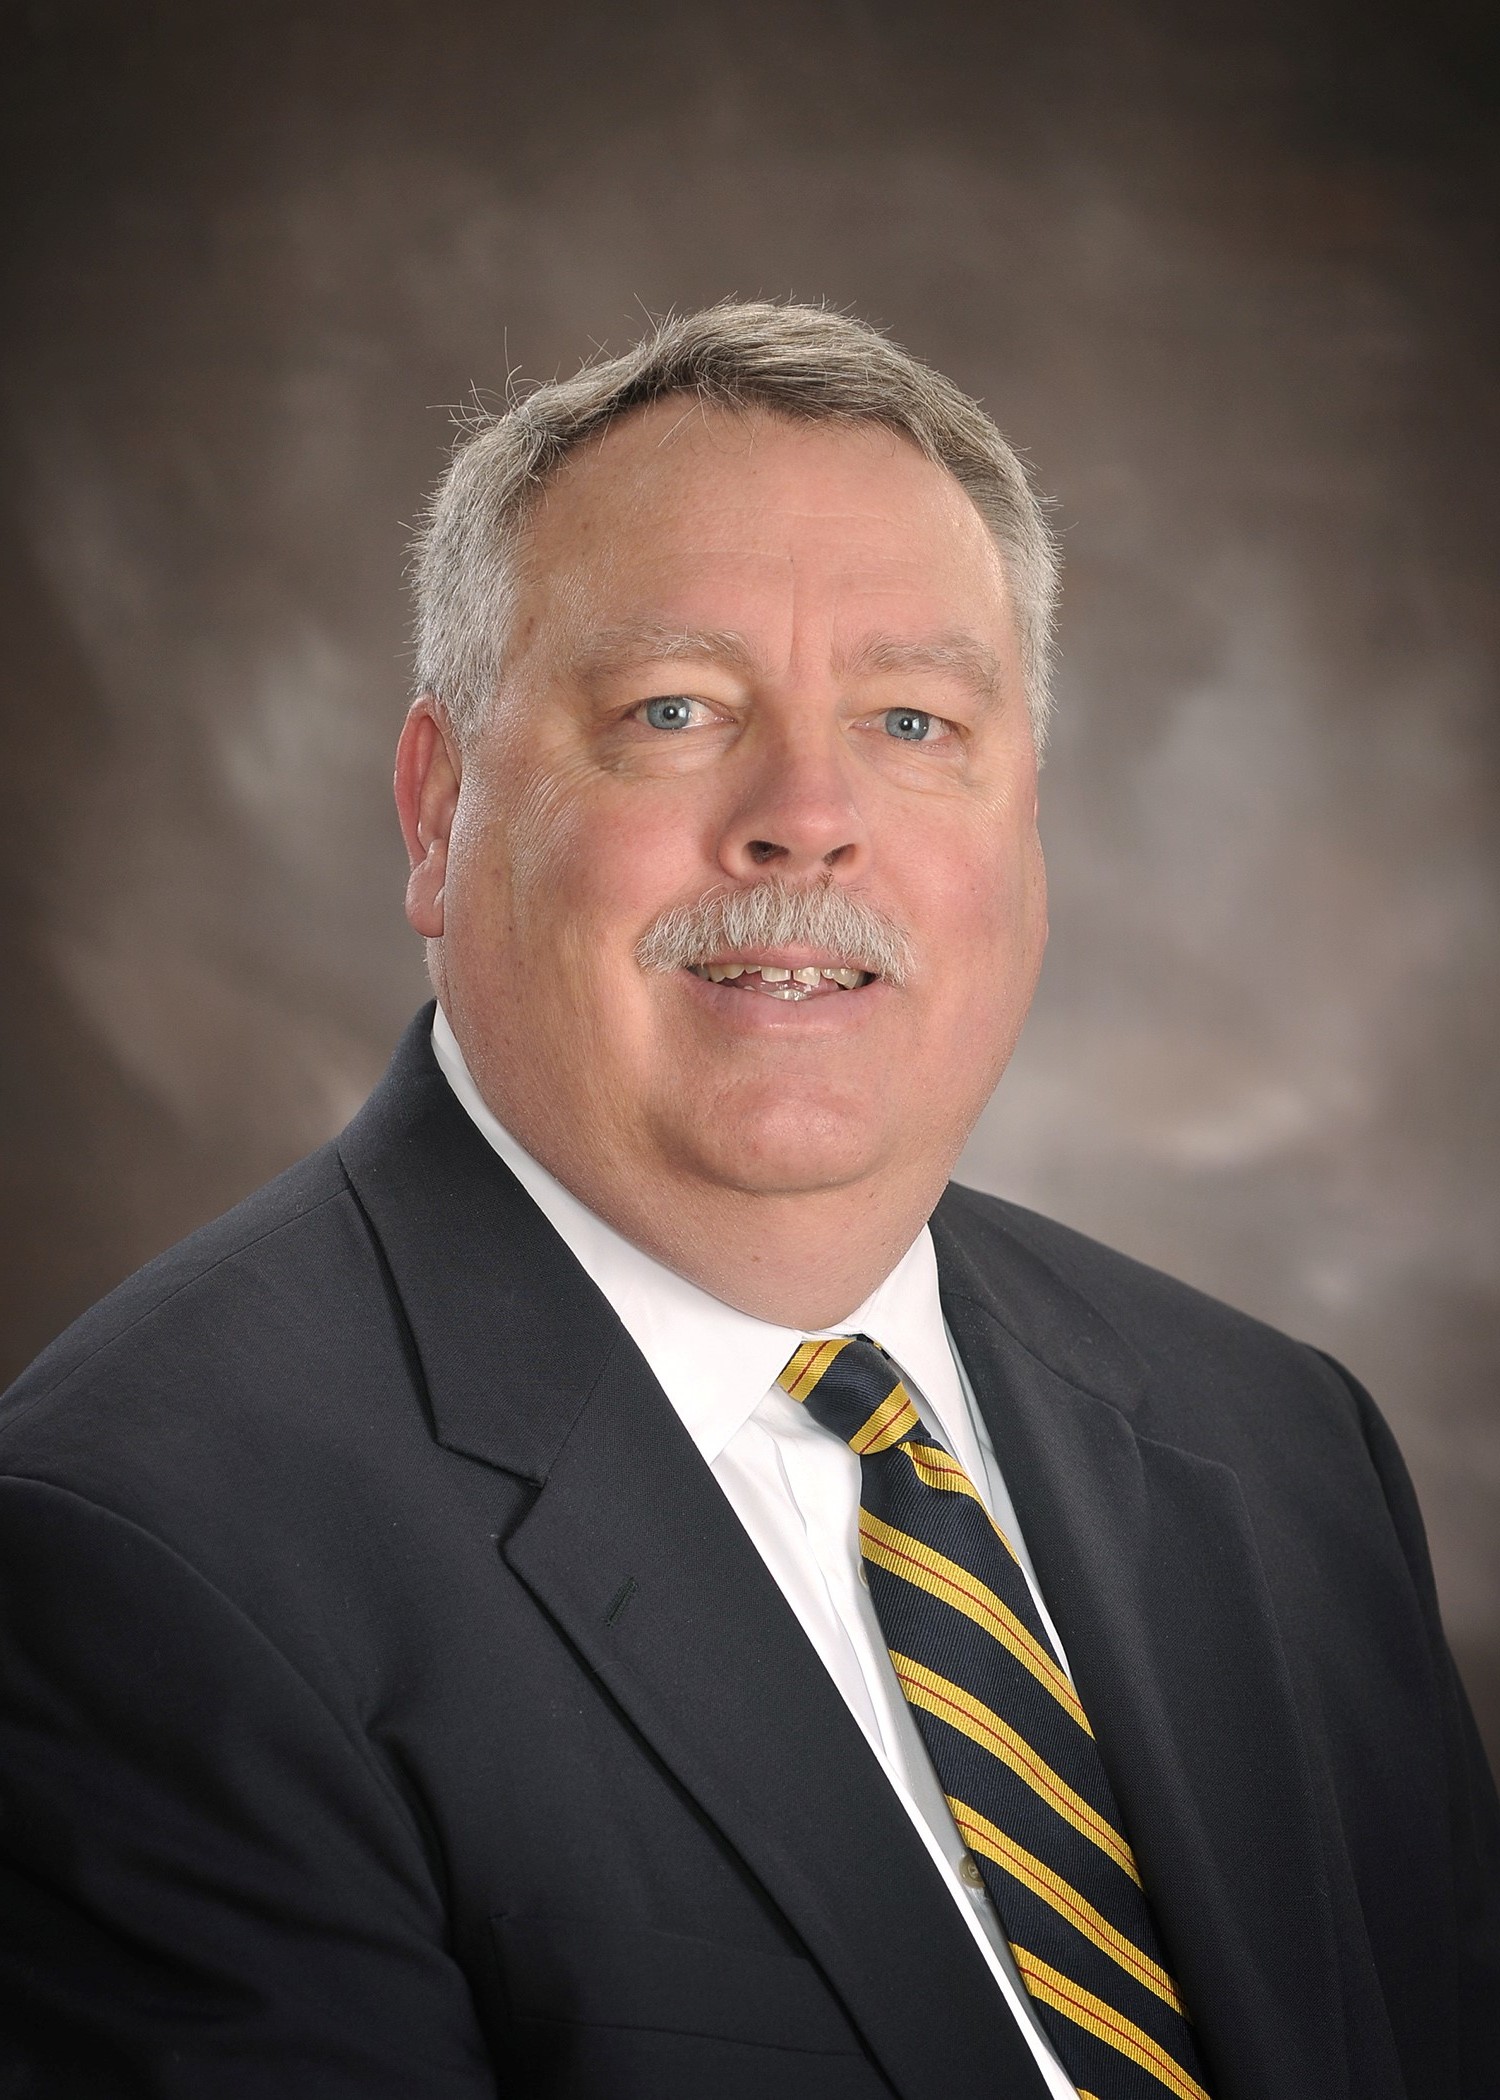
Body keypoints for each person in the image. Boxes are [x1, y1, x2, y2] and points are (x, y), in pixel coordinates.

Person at [0, 302, 1494, 2100]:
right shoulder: (143, 1559)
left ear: (1029, 826)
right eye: (676, 711)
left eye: (914, 720)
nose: (809, 817)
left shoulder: (1282, 1448)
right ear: (438, 811)